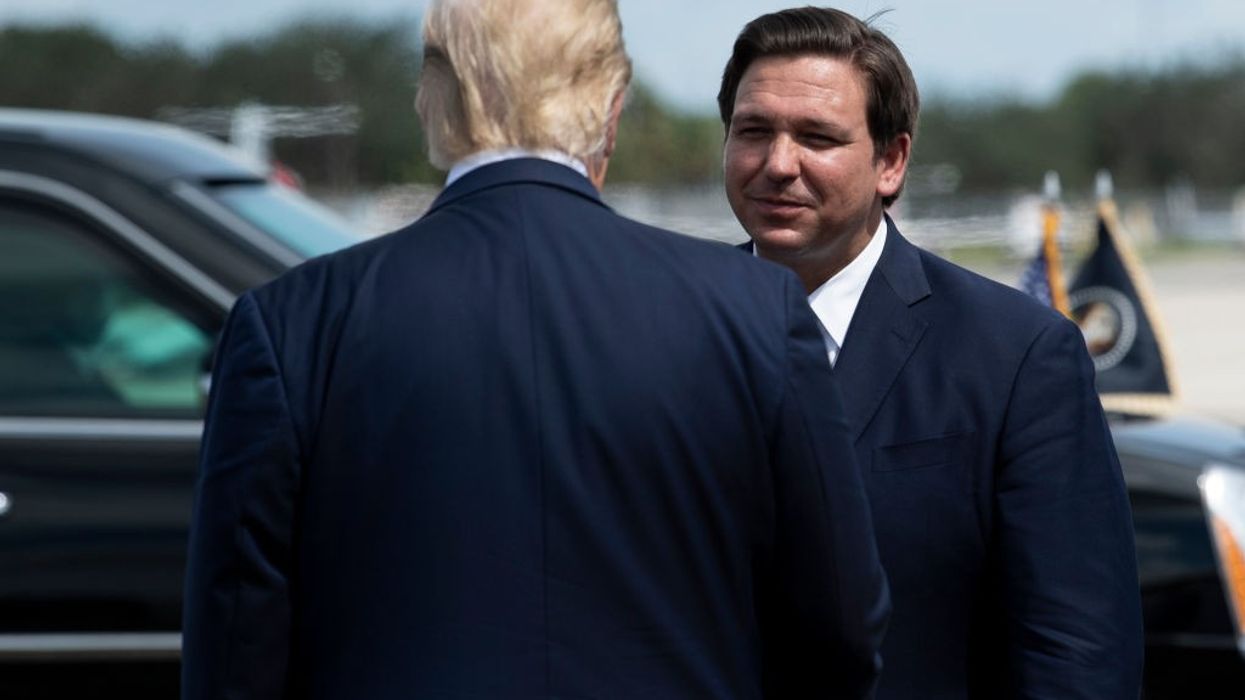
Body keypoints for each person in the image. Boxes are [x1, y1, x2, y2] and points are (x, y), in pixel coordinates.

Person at [181, 0, 890, 697]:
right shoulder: (753, 310)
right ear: (611, 110)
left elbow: (238, 641)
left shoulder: (290, 324)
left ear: (433, 104)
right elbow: (839, 624)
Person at [718, 7, 1143, 699]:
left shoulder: (1015, 356)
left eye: (817, 137)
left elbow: (1076, 651)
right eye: (753, 131)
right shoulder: (663, 333)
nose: (777, 164)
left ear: (890, 161)